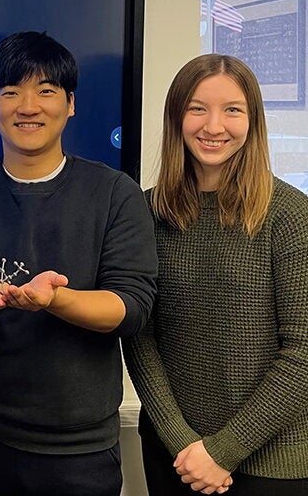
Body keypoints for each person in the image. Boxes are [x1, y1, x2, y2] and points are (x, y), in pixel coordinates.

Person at [0, 31, 158, 496]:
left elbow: (131, 308)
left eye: (46, 91)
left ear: (70, 104)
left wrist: (55, 300)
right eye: (10, 92)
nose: (27, 106)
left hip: (80, 449)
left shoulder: (114, 193)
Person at [124, 54, 308, 496]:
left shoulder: (289, 214)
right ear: (176, 117)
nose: (214, 126)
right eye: (197, 108)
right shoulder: (146, 213)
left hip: (272, 465)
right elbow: (139, 334)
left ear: (253, 120)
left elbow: (303, 351)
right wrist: (183, 442)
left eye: (232, 110)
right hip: (176, 456)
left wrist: (224, 450)